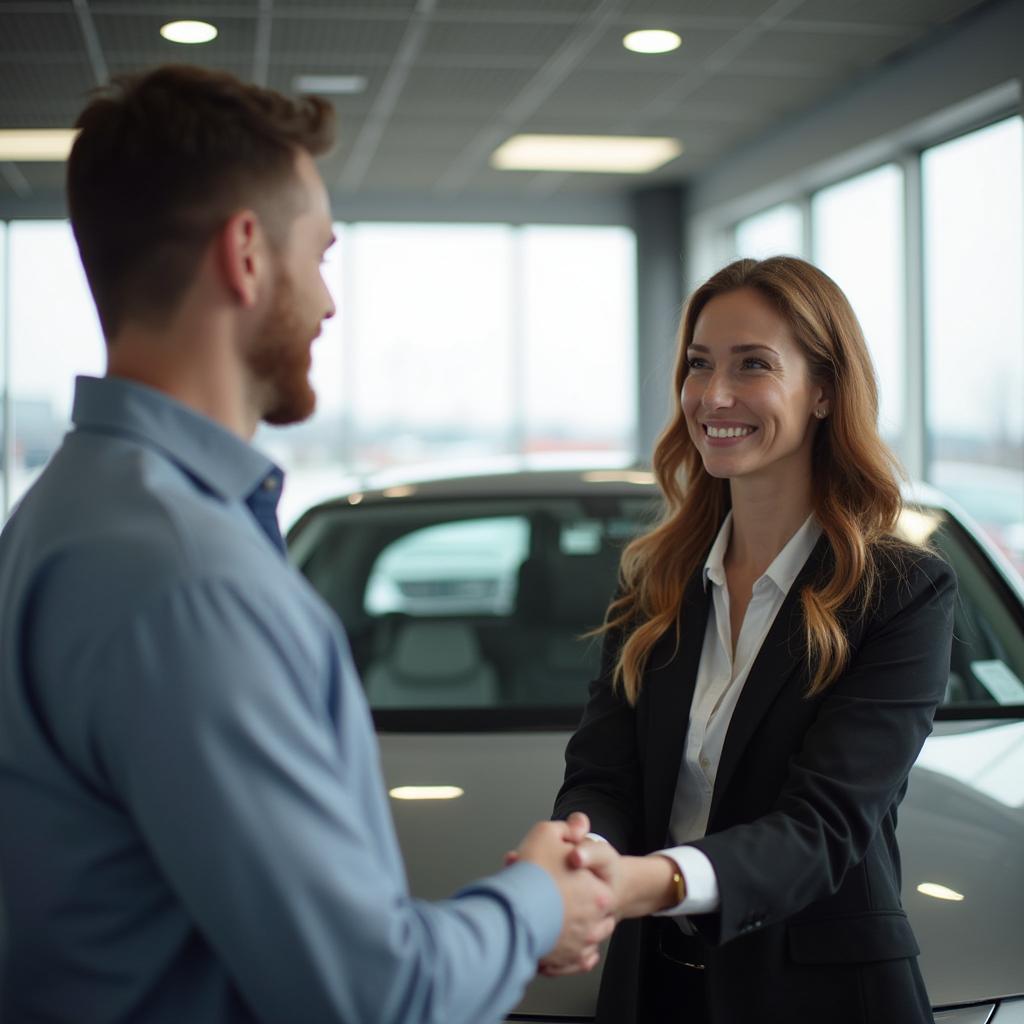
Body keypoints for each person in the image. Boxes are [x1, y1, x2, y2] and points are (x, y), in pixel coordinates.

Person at [0, 65, 615, 1024]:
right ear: (246, 255)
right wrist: (542, 899)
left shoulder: (64, 514)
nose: (329, 303)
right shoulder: (190, 577)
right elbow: (374, 996)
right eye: (319, 255)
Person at [549, 256, 956, 1023]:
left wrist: (642, 883)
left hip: (823, 999)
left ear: (827, 391)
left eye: (753, 366)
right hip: (652, 991)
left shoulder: (900, 591)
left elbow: (825, 826)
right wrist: (578, 852)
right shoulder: (655, 581)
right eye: (699, 365)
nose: (714, 396)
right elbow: (601, 778)